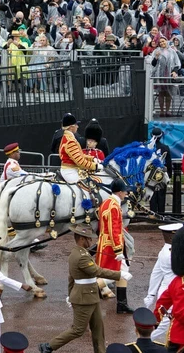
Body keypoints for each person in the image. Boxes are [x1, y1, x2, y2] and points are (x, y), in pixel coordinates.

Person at [38, 223, 131, 353]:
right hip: (83, 298)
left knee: (98, 329)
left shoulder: (81, 252)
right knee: (78, 330)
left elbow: (71, 278)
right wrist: (120, 274)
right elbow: (96, 271)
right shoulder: (80, 256)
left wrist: (70, 294)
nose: (90, 241)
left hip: (91, 296)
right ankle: (49, 346)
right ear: (81, 239)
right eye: (88, 239)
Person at [144, 223, 184, 343]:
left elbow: (156, 273)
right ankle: (144, 343)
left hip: (168, 289)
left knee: (168, 324)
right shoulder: (172, 255)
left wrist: (151, 294)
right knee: (165, 325)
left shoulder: (164, 251)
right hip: (176, 291)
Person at [96, 180, 134, 312]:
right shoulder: (113, 206)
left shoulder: (107, 202)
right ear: (119, 192)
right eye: (125, 191)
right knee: (110, 274)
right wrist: (118, 250)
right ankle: (83, 292)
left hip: (107, 242)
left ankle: (121, 304)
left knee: (123, 271)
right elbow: (114, 229)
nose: (126, 193)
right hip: (112, 245)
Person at [58, 113, 101, 184]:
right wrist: (95, 166)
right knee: (88, 185)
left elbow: (79, 155)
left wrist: (92, 159)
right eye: (76, 125)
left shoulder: (68, 137)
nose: (77, 126)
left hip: (72, 169)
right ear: (71, 127)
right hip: (70, 171)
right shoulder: (70, 141)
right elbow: (80, 162)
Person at [148, 128, 172, 214]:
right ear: (161, 136)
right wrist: (169, 175)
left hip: (150, 174)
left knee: (152, 194)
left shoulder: (148, 148)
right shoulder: (165, 148)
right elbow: (169, 163)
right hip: (161, 173)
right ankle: (161, 214)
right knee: (161, 195)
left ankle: (152, 214)